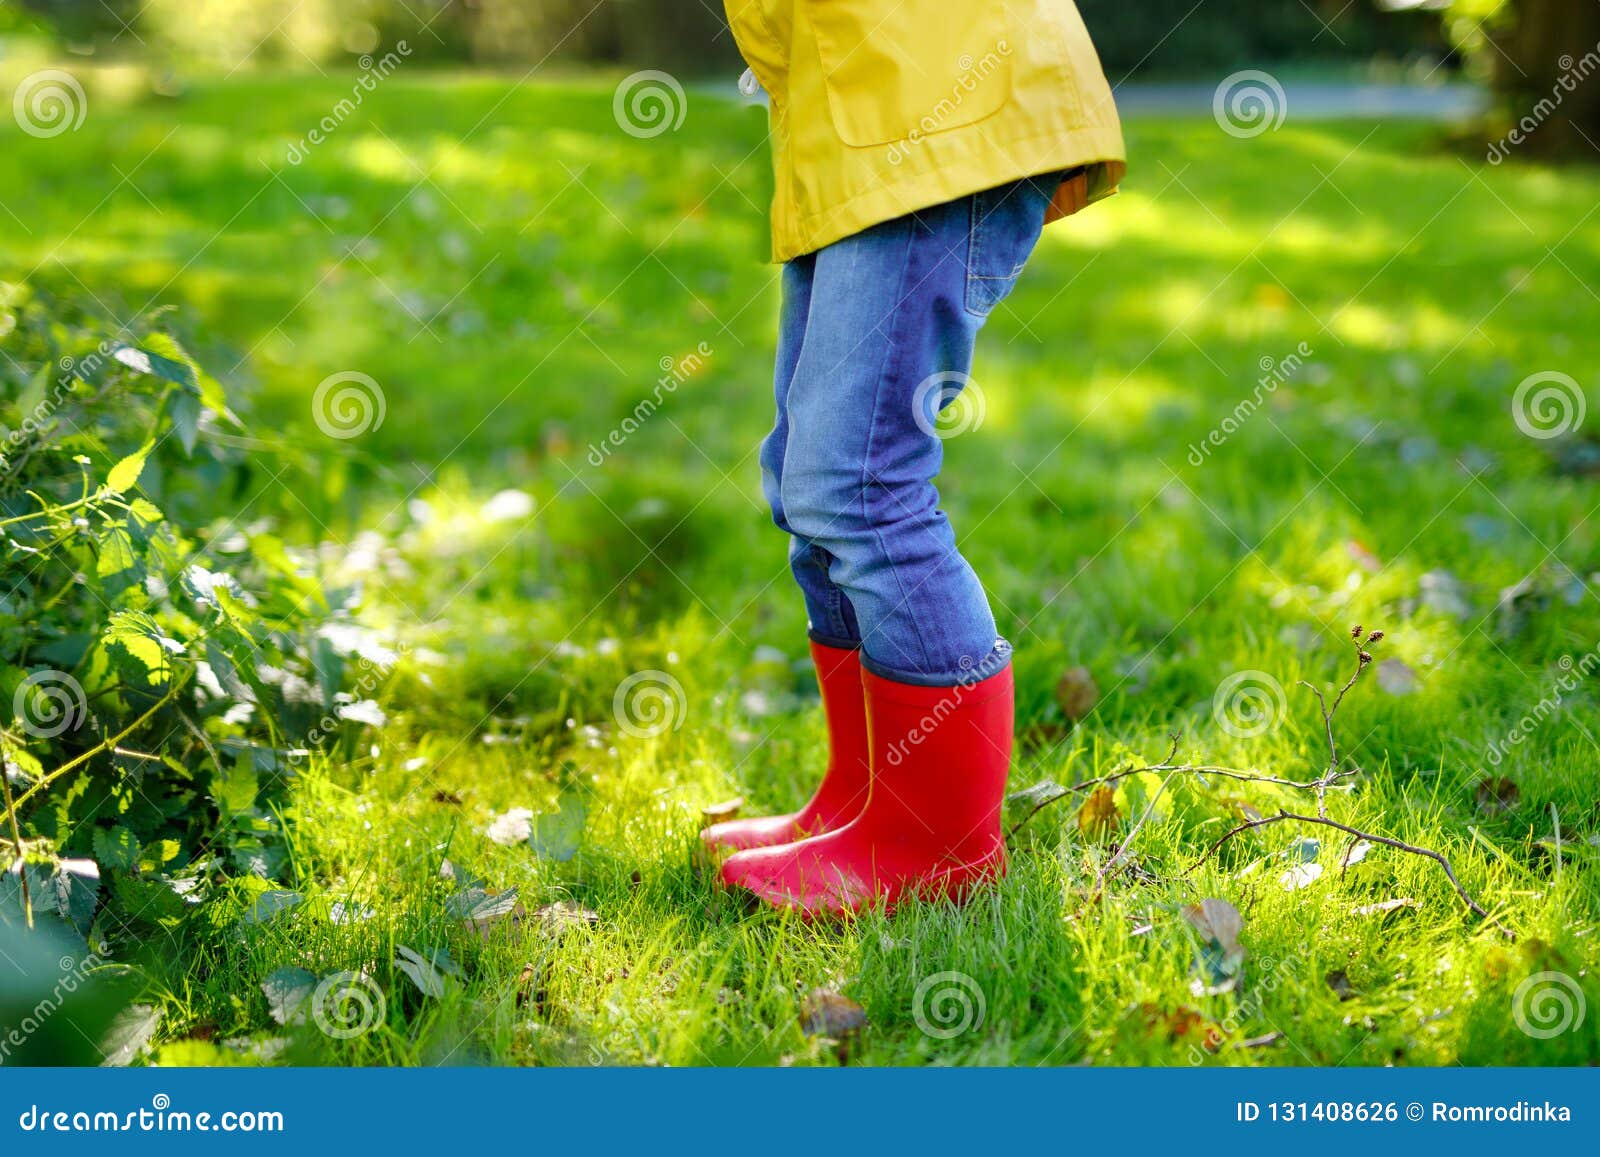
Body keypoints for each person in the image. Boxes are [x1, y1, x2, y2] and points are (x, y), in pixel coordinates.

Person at [704, 1, 1126, 915]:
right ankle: (863, 804)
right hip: (858, 116)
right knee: (805, 480)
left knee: (861, 485)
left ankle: (936, 847)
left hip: (934, 102)